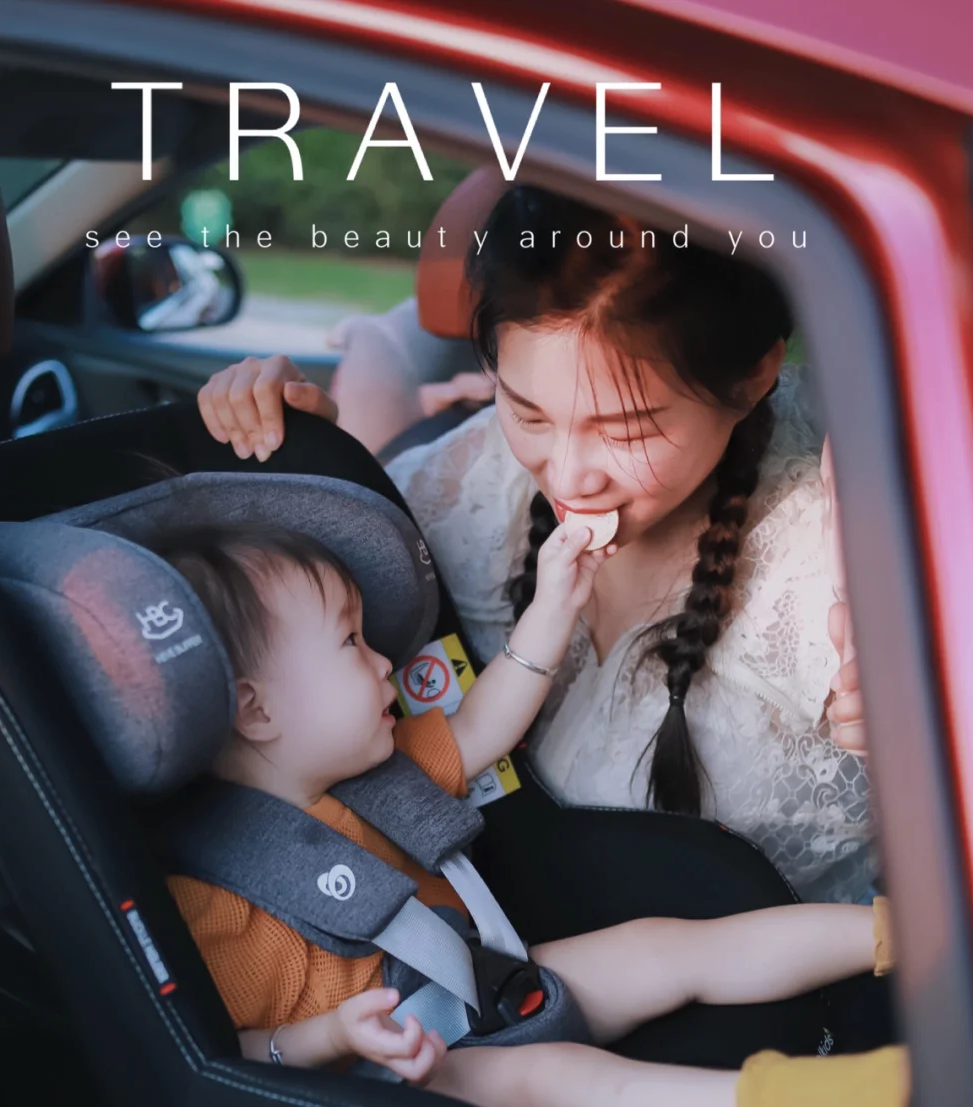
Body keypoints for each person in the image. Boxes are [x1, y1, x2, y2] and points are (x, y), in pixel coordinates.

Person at [158, 515, 906, 1107]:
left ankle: (901, 932)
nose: (384, 660)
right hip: (397, 1088)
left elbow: (485, 725)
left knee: (662, 946)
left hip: (490, 986)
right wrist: (328, 1036)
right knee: (559, 1082)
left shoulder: (376, 775)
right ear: (256, 709)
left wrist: (554, 605)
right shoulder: (216, 897)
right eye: (350, 641)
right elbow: (217, 1056)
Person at [195, 187, 872, 905]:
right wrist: (300, 463)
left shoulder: (854, 527)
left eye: (628, 430)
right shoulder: (469, 484)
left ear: (756, 375)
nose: (569, 476)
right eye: (528, 413)